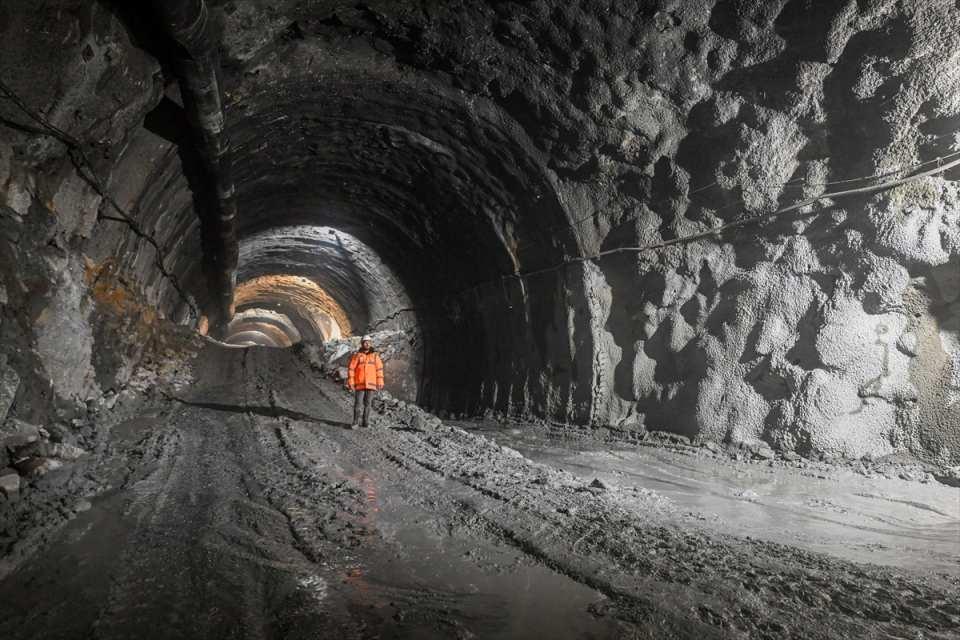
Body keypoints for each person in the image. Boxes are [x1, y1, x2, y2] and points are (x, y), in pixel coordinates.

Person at [346, 335, 384, 428]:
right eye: (365, 342)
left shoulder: (375, 356)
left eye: (369, 342)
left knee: (368, 404)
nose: (367, 344)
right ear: (362, 344)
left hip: (371, 385)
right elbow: (351, 369)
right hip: (360, 384)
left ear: (370, 344)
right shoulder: (357, 356)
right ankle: (355, 422)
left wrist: (380, 381)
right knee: (358, 404)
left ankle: (365, 422)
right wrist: (351, 381)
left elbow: (379, 369)